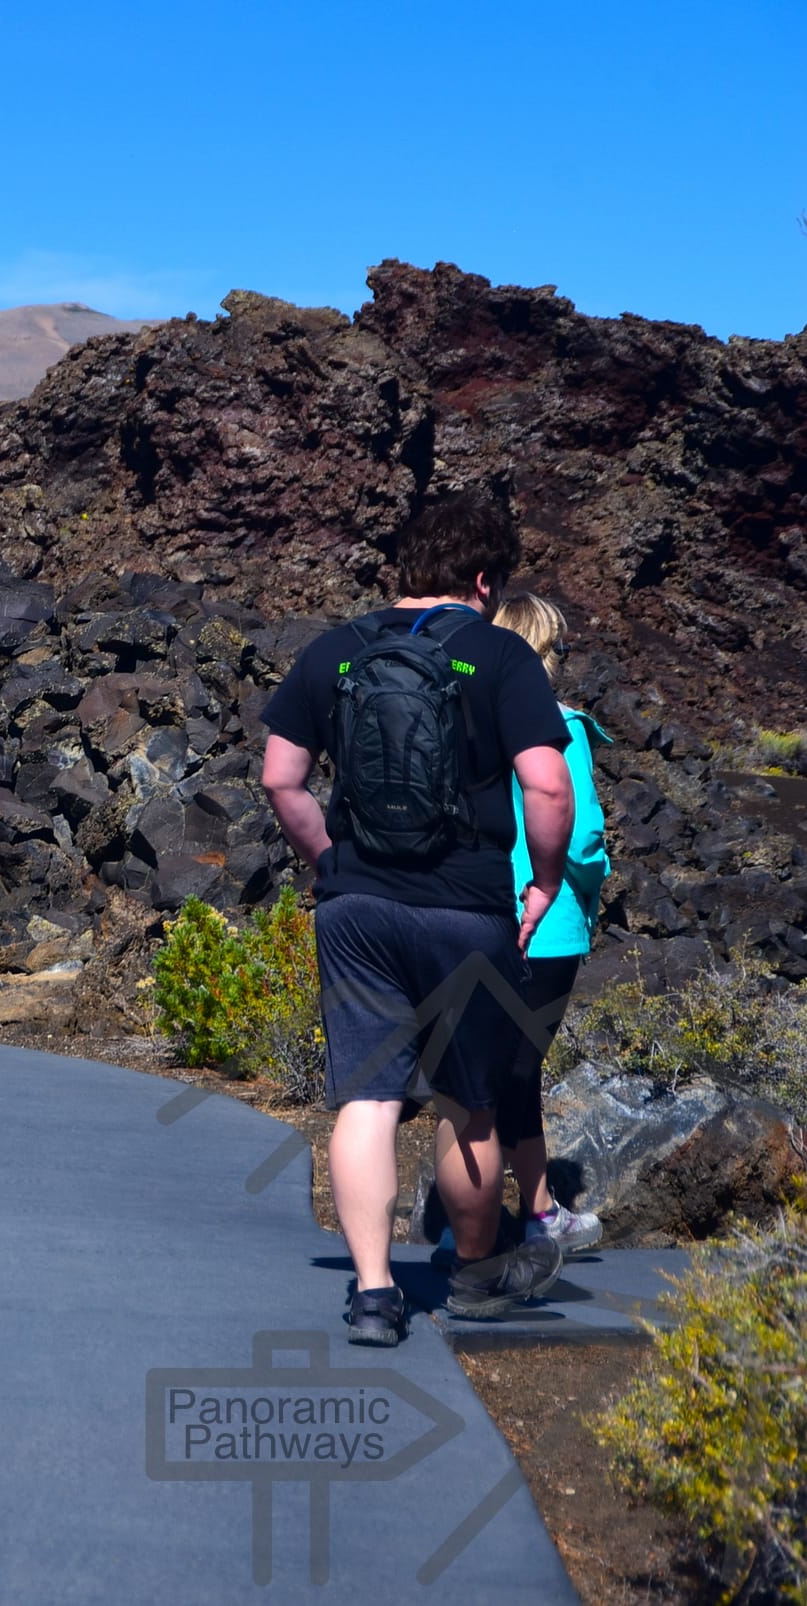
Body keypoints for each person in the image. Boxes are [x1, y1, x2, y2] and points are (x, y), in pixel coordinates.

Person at [258, 495, 575, 1346]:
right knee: (465, 1104)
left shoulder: (334, 650)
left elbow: (280, 779)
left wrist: (330, 862)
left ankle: (370, 1292)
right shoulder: (500, 656)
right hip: (464, 905)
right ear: (482, 578)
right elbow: (546, 786)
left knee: (366, 1097)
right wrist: (540, 886)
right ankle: (472, 1274)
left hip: (355, 905)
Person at [493, 592, 610, 1250]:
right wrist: (594, 888)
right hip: (550, 920)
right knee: (520, 1066)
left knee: (488, 1070)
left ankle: (481, 1215)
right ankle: (538, 1216)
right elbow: (582, 836)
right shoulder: (559, 725)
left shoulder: (472, 719)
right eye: (559, 647)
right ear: (540, 650)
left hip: (478, 909)